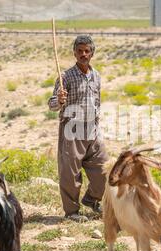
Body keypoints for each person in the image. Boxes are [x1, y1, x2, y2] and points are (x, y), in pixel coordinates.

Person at [48, 35, 108, 222]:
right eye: (80, 51)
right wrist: (59, 100)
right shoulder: (65, 77)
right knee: (70, 174)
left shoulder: (96, 75)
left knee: (104, 170)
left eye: (87, 51)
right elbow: (51, 104)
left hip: (92, 130)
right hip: (72, 130)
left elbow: (97, 101)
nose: (83, 54)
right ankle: (72, 212)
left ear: (92, 53)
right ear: (74, 52)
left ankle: (91, 199)